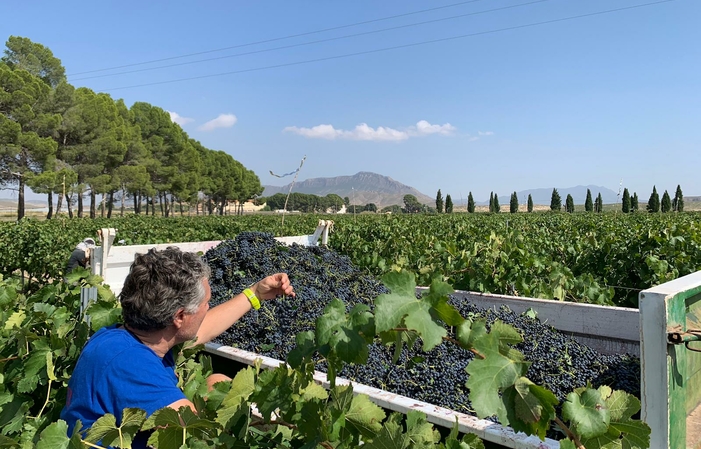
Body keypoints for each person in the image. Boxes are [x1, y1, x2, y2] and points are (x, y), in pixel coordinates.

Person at [60, 246, 295, 447]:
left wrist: (255, 293)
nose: (207, 307)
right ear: (180, 316)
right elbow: (194, 428)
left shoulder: (120, 337)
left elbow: (200, 329)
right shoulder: (130, 365)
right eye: (206, 303)